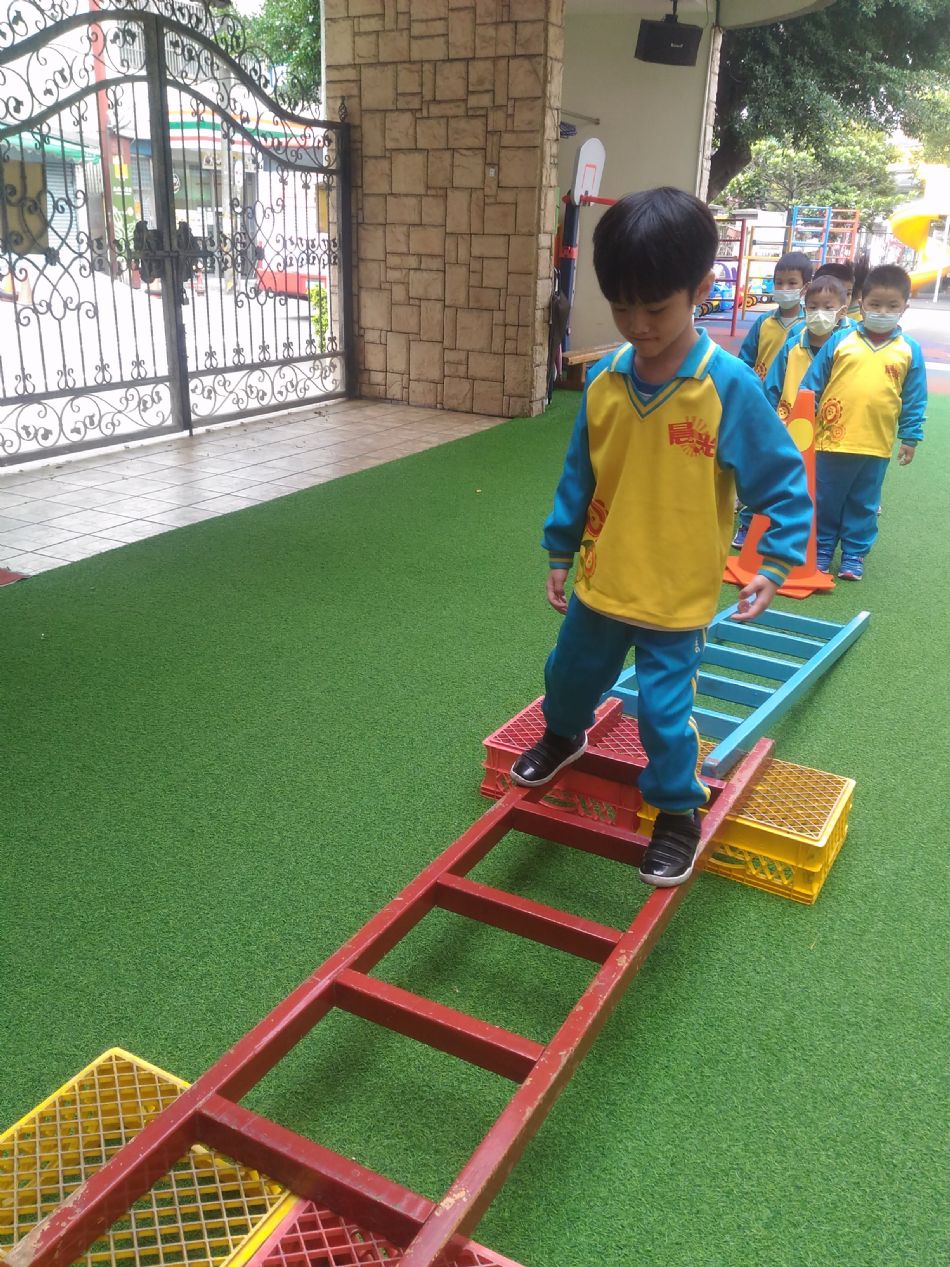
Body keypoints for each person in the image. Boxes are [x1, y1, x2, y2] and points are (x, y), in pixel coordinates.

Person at [510, 188, 811, 888]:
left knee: (666, 719)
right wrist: (560, 549)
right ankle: (563, 734)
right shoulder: (605, 381)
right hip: (604, 581)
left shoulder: (726, 387)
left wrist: (774, 562)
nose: (638, 325)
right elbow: (579, 475)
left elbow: (782, 480)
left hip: (676, 598)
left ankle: (677, 810)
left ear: (701, 290)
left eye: (655, 308)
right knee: (568, 676)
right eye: (622, 307)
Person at [800, 263, 926, 580]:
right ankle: (823, 548)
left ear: (905, 307)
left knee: (865, 503)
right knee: (826, 498)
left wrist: (910, 437)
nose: (882, 312)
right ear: (861, 303)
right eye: (875, 304)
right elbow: (813, 382)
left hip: (876, 443)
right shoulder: (841, 340)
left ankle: (854, 553)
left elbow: (914, 398)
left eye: (892, 306)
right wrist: (803, 416)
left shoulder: (909, 350)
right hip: (832, 440)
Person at [730, 275, 850, 550]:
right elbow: (773, 384)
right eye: (813, 306)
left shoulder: (847, 345)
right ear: (805, 307)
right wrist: (768, 420)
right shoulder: (793, 345)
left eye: (828, 307)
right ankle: (750, 523)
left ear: (842, 311)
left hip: (828, 428)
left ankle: (811, 539)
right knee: (772, 475)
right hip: (788, 423)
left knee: (818, 484)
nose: (819, 313)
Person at [738, 251, 813, 379]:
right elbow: (745, 360)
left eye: (792, 283)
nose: (784, 288)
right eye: (779, 282)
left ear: (805, 287)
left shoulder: (810, 324)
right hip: (762, 389)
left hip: (793, 390)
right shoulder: (763, 321)